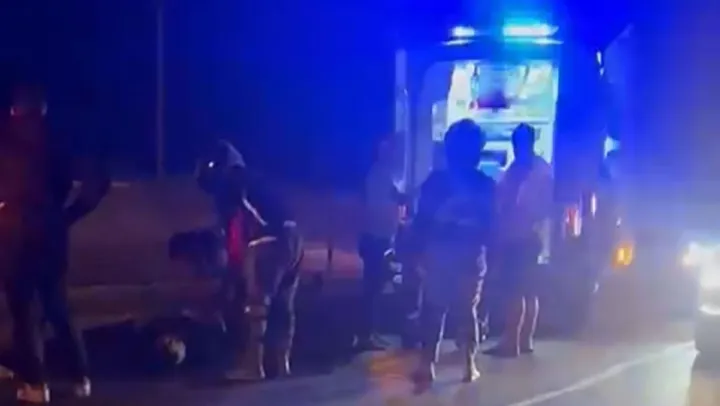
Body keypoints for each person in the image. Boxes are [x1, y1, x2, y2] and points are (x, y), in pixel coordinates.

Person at [0, 83, 110, 403]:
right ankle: (79, 377)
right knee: (57, 307)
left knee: (24, 312)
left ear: (17, 110)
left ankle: (36, 384)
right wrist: (68, 215)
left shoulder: (8, 141)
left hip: (17, 238)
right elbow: (97, 180)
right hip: (51, 236)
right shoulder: (60, 141)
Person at [196, 140, 302, 381]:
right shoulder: (254, 178)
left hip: (270, 240)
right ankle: (283, 364)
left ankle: (254, 366)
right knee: (284, 304)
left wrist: (233, 273)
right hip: (296, 239)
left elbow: (239, 225)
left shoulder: (229, 183)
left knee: (257, 304)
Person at [411, 119, 495, 390]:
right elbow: (491, 224)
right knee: (467, 309)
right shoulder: (485, 185)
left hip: (439, 251)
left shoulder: (435, 182)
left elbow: (422, 221)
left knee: (433, 308)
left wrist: (417, 251)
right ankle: (469, 365)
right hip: (471, 254)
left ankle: (427, 364)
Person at [484, 123, 552, 358]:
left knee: (514, 290)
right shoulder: (541, 168)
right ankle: (525, 339)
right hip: (533, 237)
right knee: (529, 290)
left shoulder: (523, 171)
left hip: (519, 237)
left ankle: (511, 341)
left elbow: (513, 203)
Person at [357, 134, 403, 350]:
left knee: (375, 287)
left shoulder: (384, 173)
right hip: (376, 237)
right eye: (388, 150)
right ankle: (365, 335)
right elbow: (386, 202)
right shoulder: (379, 175)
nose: (392, 154)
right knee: (372, 288)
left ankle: (368, 333)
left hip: (380, 236)